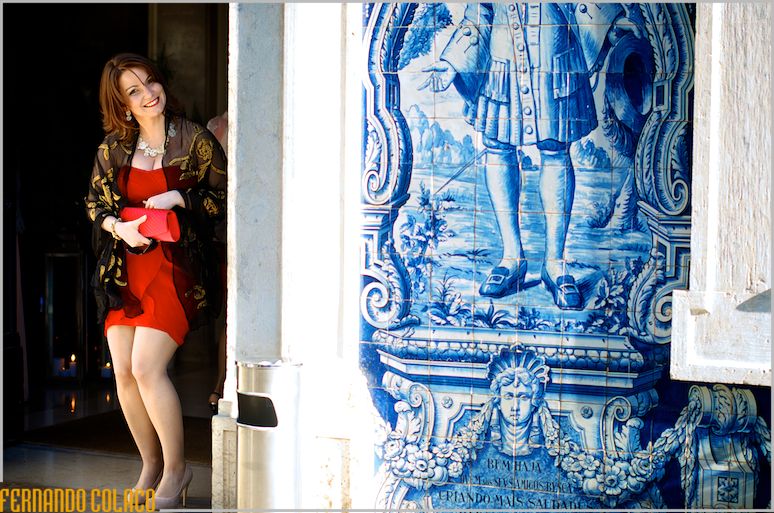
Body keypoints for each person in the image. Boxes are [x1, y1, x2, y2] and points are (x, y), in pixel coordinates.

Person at [420, 3, 635, 309]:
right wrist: (453, 61)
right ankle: (511, 257)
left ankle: (555, 264)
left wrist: (608, 24)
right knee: (497, 146)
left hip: (555, 58)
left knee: (555, 148)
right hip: (502, 63)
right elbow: (479, 12)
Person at [85, 53, 226, 509]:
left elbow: (224, 197)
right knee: (123, 371)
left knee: (147, 366)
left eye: (150, 83)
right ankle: (150, 465)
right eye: (134, 90)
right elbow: (94, 204)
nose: (149, 95)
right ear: (122, 104)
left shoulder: (195, 139)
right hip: (126, 270)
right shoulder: (112, 149)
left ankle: (177, 467)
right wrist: (115, 227)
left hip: (174, 266)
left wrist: (181, 197)